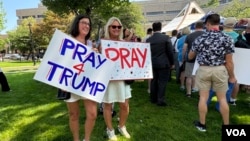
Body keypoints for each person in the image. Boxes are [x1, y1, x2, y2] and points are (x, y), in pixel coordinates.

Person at [188, 13, 237, 132]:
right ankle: (226, 126)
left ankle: (202, 124)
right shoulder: (227, 38)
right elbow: (229, 62)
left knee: (203, 98)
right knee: (223, 99)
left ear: (208, 24)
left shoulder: (200, 39)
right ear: (219, 23)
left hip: (204, 70)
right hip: (220, 70)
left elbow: (190, 56)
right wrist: (232, 77)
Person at [64, 14, 97, 141]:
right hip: (69, 84)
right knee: (73, 115)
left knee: (93, 114)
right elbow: (61, 63)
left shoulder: (90, 43)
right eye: (83, 22)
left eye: (88, 24)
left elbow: (93, 66)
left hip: (86, 84)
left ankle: (86, 139)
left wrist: (96, 56)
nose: (86, 26)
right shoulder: (68, 41)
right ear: (77, 24)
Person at [100, 17, 132, 141]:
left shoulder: (124, 43)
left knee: (124, 105)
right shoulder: (103, 43)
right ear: (109, 28)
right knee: (107, 105)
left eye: (119, 27)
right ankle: (110, 129)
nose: (116, 29)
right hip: (109, 80)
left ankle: (121, 126)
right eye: (114, 26)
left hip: (123, 79)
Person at [146, 22, 174, 106]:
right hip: (164, 63)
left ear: (153, 28)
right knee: (162, 82)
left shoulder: (149, 40)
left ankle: (153, 98)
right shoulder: (166, 38)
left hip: (152, 63)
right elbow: (170, 52)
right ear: (161, 28)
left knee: (153, 81)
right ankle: (160, 99)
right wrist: (172, 62)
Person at [182, 21, 205, 97]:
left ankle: (188, 93)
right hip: (202, 59)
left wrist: (183, 57)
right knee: (201, 77)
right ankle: (200, 94)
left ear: (195, 26)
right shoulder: (206, 35)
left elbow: (184, 48)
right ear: (203, 26)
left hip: (190, 57)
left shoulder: (189, 36)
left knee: (189, 76)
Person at [142, 28, 153, 93]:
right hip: (151, 55)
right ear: (151, 32)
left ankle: (149, 88)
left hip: (145, 56)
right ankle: (150, 88)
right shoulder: (152, 38)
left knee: (148, 71)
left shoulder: (144, 38)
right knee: (150, 72)